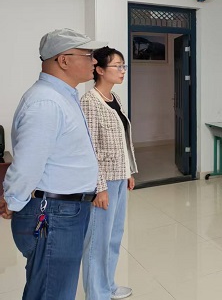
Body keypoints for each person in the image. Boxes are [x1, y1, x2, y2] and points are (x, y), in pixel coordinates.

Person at [1, 28, 106, 300]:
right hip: (54, 213)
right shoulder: (46, 102)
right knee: (52, 292)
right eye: (88, 55)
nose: (95, 61)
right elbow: (28, 162)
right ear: (63, 60)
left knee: (52, 288)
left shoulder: (62, 96)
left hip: (64, 210)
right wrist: (13, 200)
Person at [81, 46, 138, 300]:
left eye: (124, 66)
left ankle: (108, 285)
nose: (123, 70)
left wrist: (128, 171)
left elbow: (122, 140)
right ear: (100, 70)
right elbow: (89, 148)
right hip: (103, 183)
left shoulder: (115, 98)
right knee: (97, 242)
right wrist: (99, 187)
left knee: (114, 237)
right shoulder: (90, 102)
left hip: (119, 177)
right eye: (118, 66)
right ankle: (97, 294)